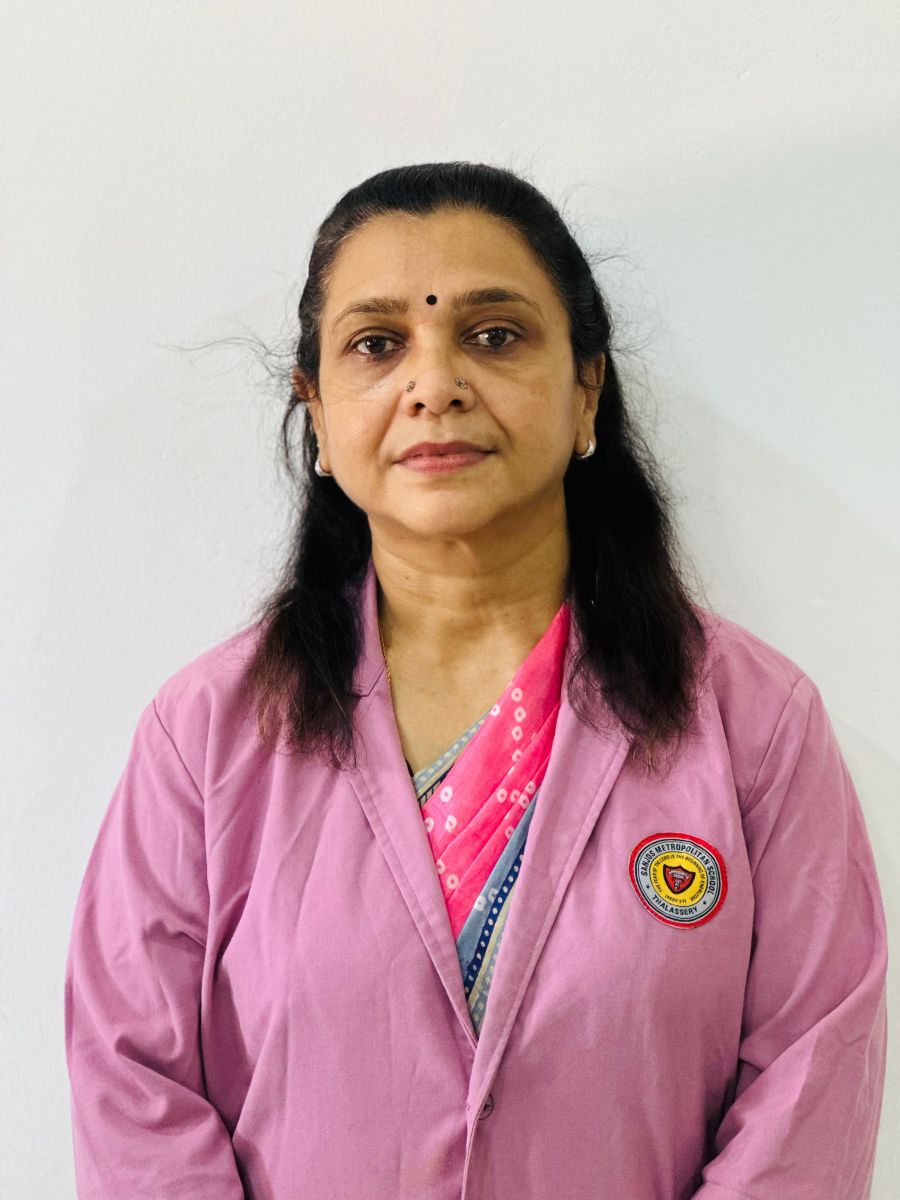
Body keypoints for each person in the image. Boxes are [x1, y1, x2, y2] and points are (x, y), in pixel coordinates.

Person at [64, 161, 888, 1200]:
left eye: (494, 336)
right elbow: (132, 1085)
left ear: (586, 391)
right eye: (377, 344)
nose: (435, 384)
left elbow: (812, 1086)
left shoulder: (753, 725)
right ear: (317, 413)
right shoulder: (207, 738)